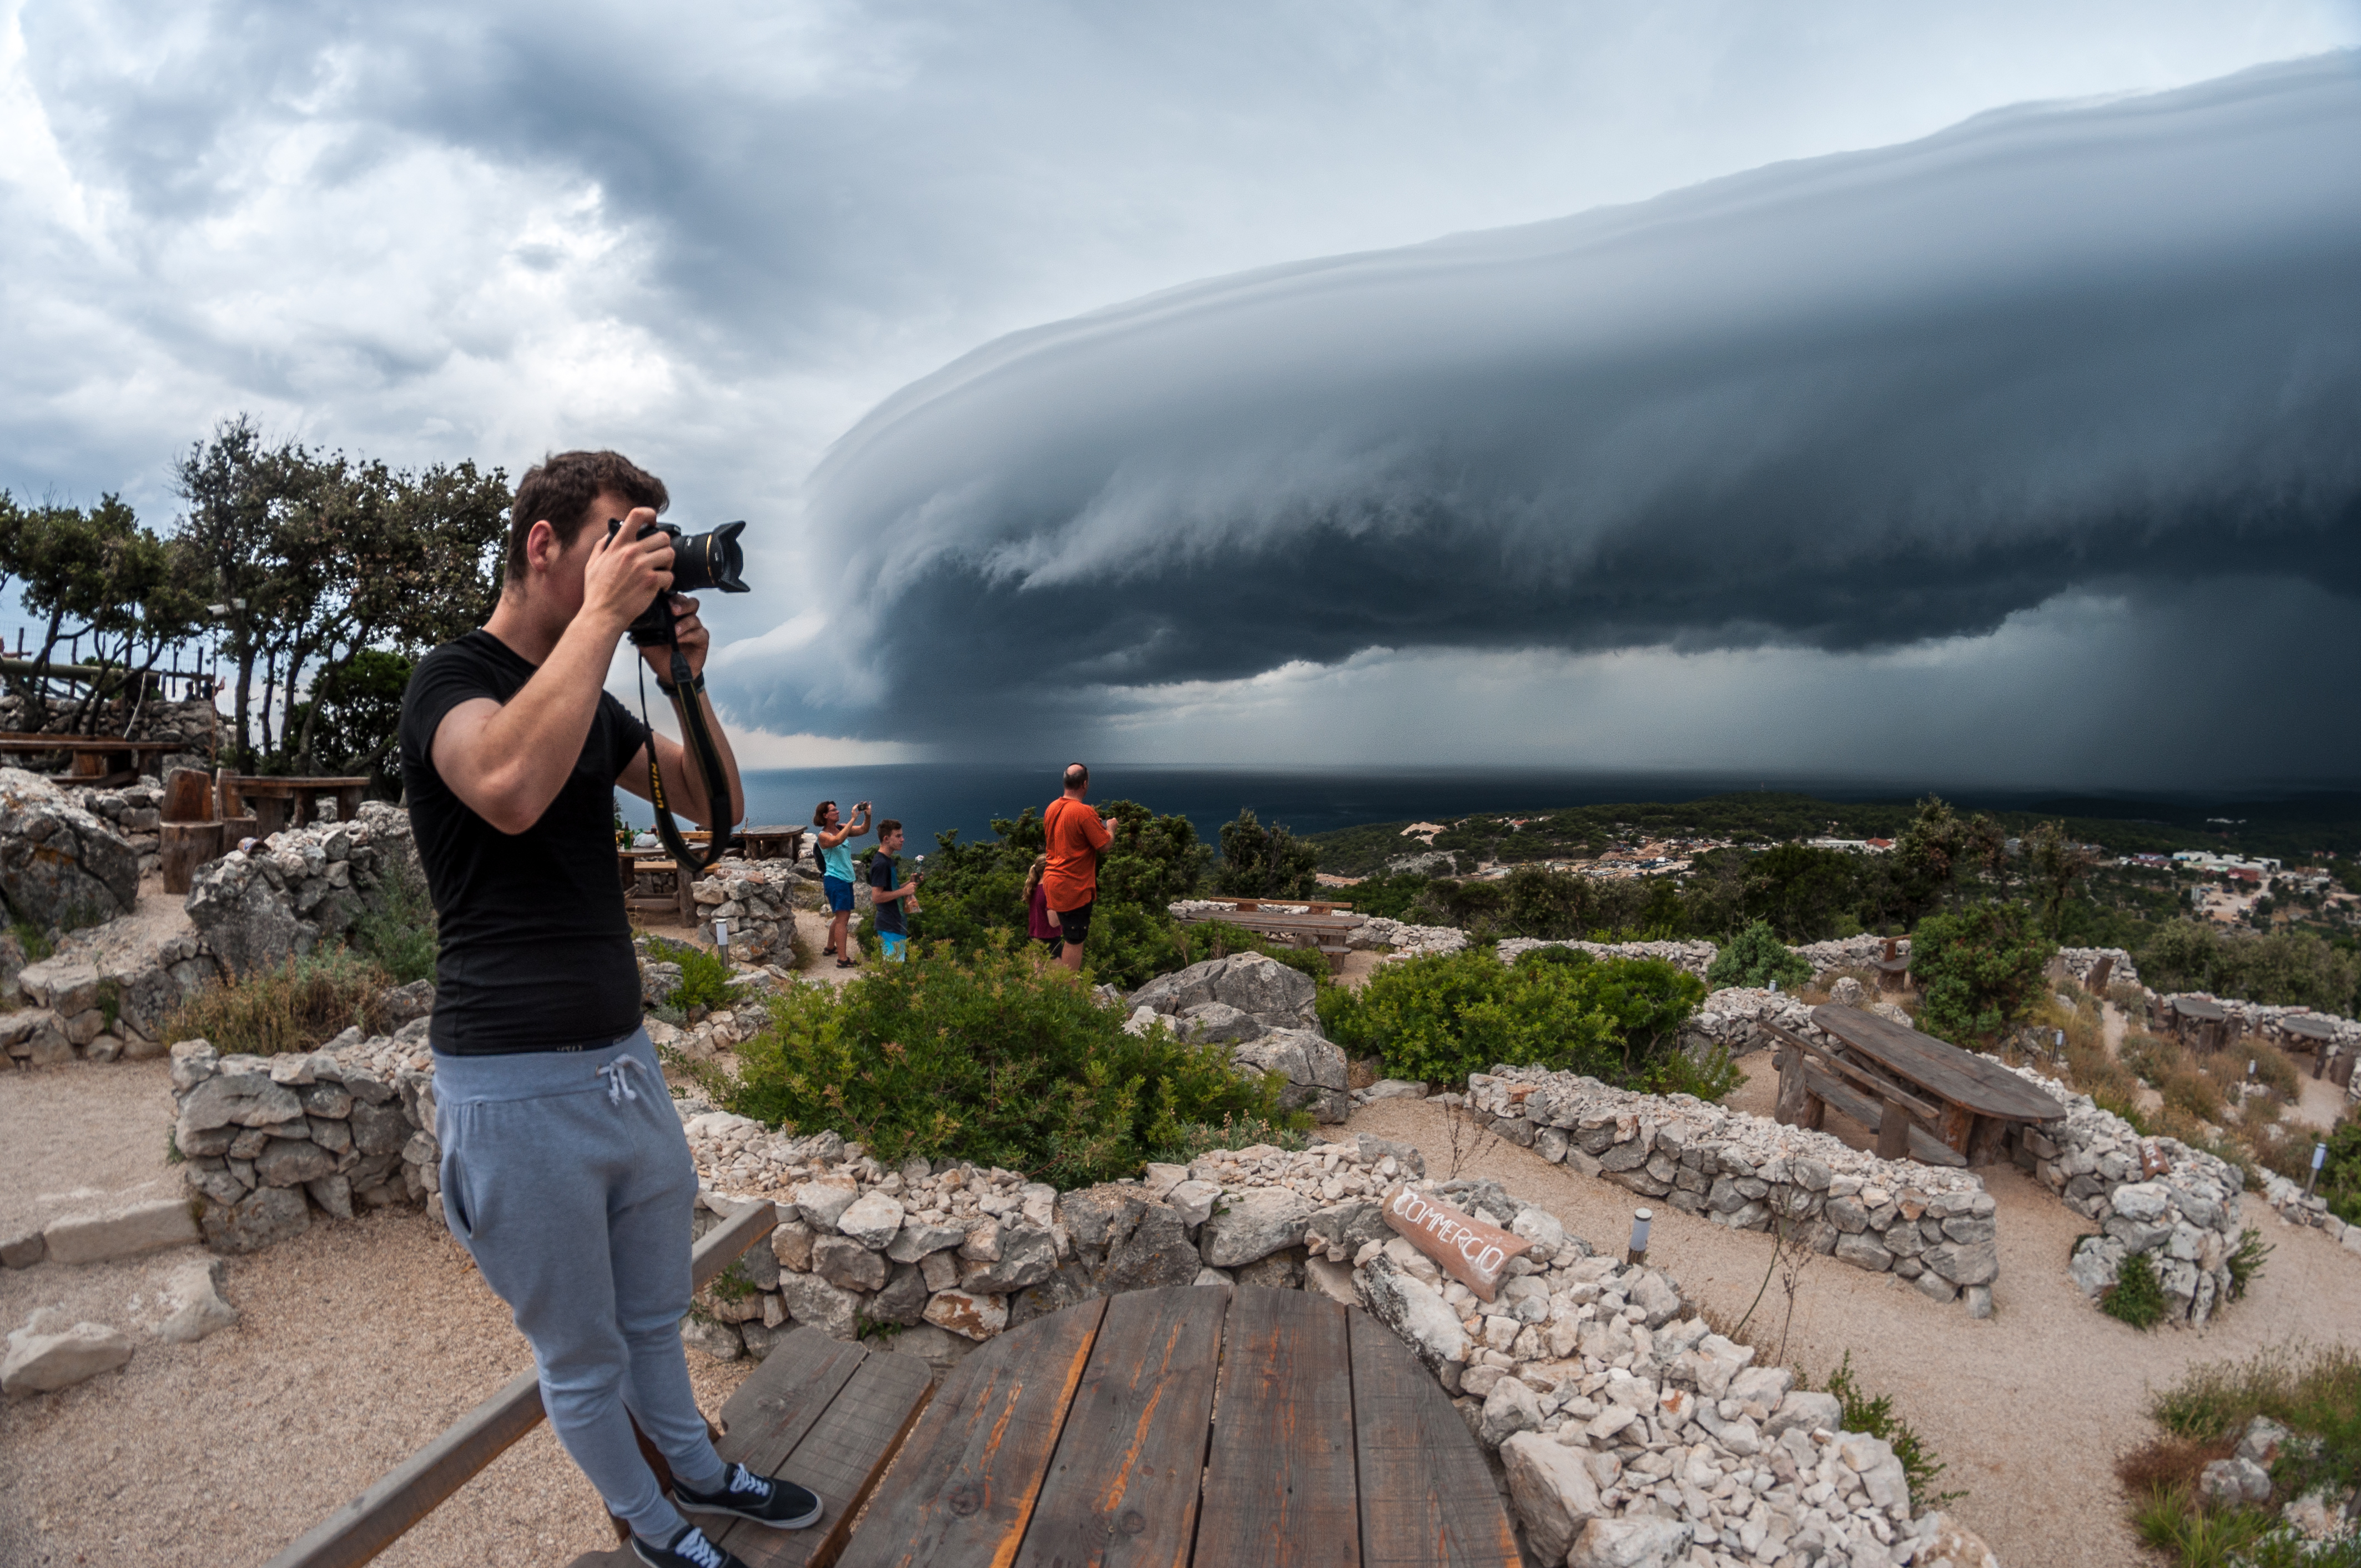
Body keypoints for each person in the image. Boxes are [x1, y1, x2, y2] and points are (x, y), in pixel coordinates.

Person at [397, 449, 811, 1568]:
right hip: (513, 1084)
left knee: (651, 1320)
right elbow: (506, 788)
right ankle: (652, 1524)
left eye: (653, 542)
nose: (645, 559)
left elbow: (712, 803)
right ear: (544, 544)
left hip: (622, 1064)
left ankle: (701, 1469)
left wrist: (680, 675)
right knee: (580, 1353)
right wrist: (599, 625)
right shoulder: (453, 680)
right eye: (620, 536)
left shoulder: (590, 695)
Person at [1041, 763, 1116, 973]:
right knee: (1075, 938)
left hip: (1052, 881)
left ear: (1065, 783)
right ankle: (1069, 990)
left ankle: (1051, 980)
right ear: (1085, 784)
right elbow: (1105, 845)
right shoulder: (1083, 812)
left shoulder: (1052, 808)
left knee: (1057, 933)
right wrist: (1111, 828)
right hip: (1073, 887)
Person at [812, 799, 872, 967]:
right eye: (834, 811)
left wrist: (867, 816)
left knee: (840, 917)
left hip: (845, 879)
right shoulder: (823, 836)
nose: (838, 812)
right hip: (835, 880)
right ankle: (843, 959)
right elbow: (837, 841)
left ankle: (830, 948)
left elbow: (864, 830)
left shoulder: (841, 829)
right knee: (843, 920)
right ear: (825, 816)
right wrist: (853, 819)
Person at [868, 819, 921, 962]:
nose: (902, 839)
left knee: (895, 970)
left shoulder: (888, 860)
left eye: (902, 836)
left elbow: (892, 890)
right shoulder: (881, 864)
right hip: (889, 924)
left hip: (896, 923)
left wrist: (910, 883)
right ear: (886, 839)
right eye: (898, 836)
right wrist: (904, 892)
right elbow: (877, 897)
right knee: (893, 971)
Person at [1022, 853, 1059, 957]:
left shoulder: (1033, 888)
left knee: (1037, 973)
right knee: (1059, 973)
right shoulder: (1048, 890)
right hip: (1050, 941)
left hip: (1035, 939)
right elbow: (1054, 922)